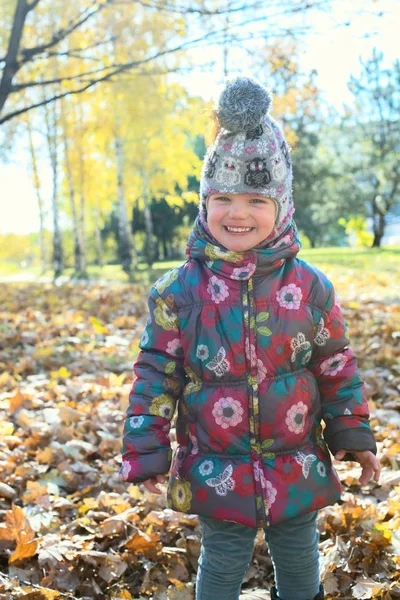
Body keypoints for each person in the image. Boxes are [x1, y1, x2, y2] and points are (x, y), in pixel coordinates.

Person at [119, 77, 380, 600]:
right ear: (204, 202)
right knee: (222, 557)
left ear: (281, 205)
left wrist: (352, 435)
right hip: (216, 462)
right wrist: (146, 449)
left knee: (299, 553)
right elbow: (156, 373)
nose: (238, 213)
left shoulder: (309, 288)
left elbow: (335, 365)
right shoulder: (179, 291)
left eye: (256, 199)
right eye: (223, 198)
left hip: (295, 455)